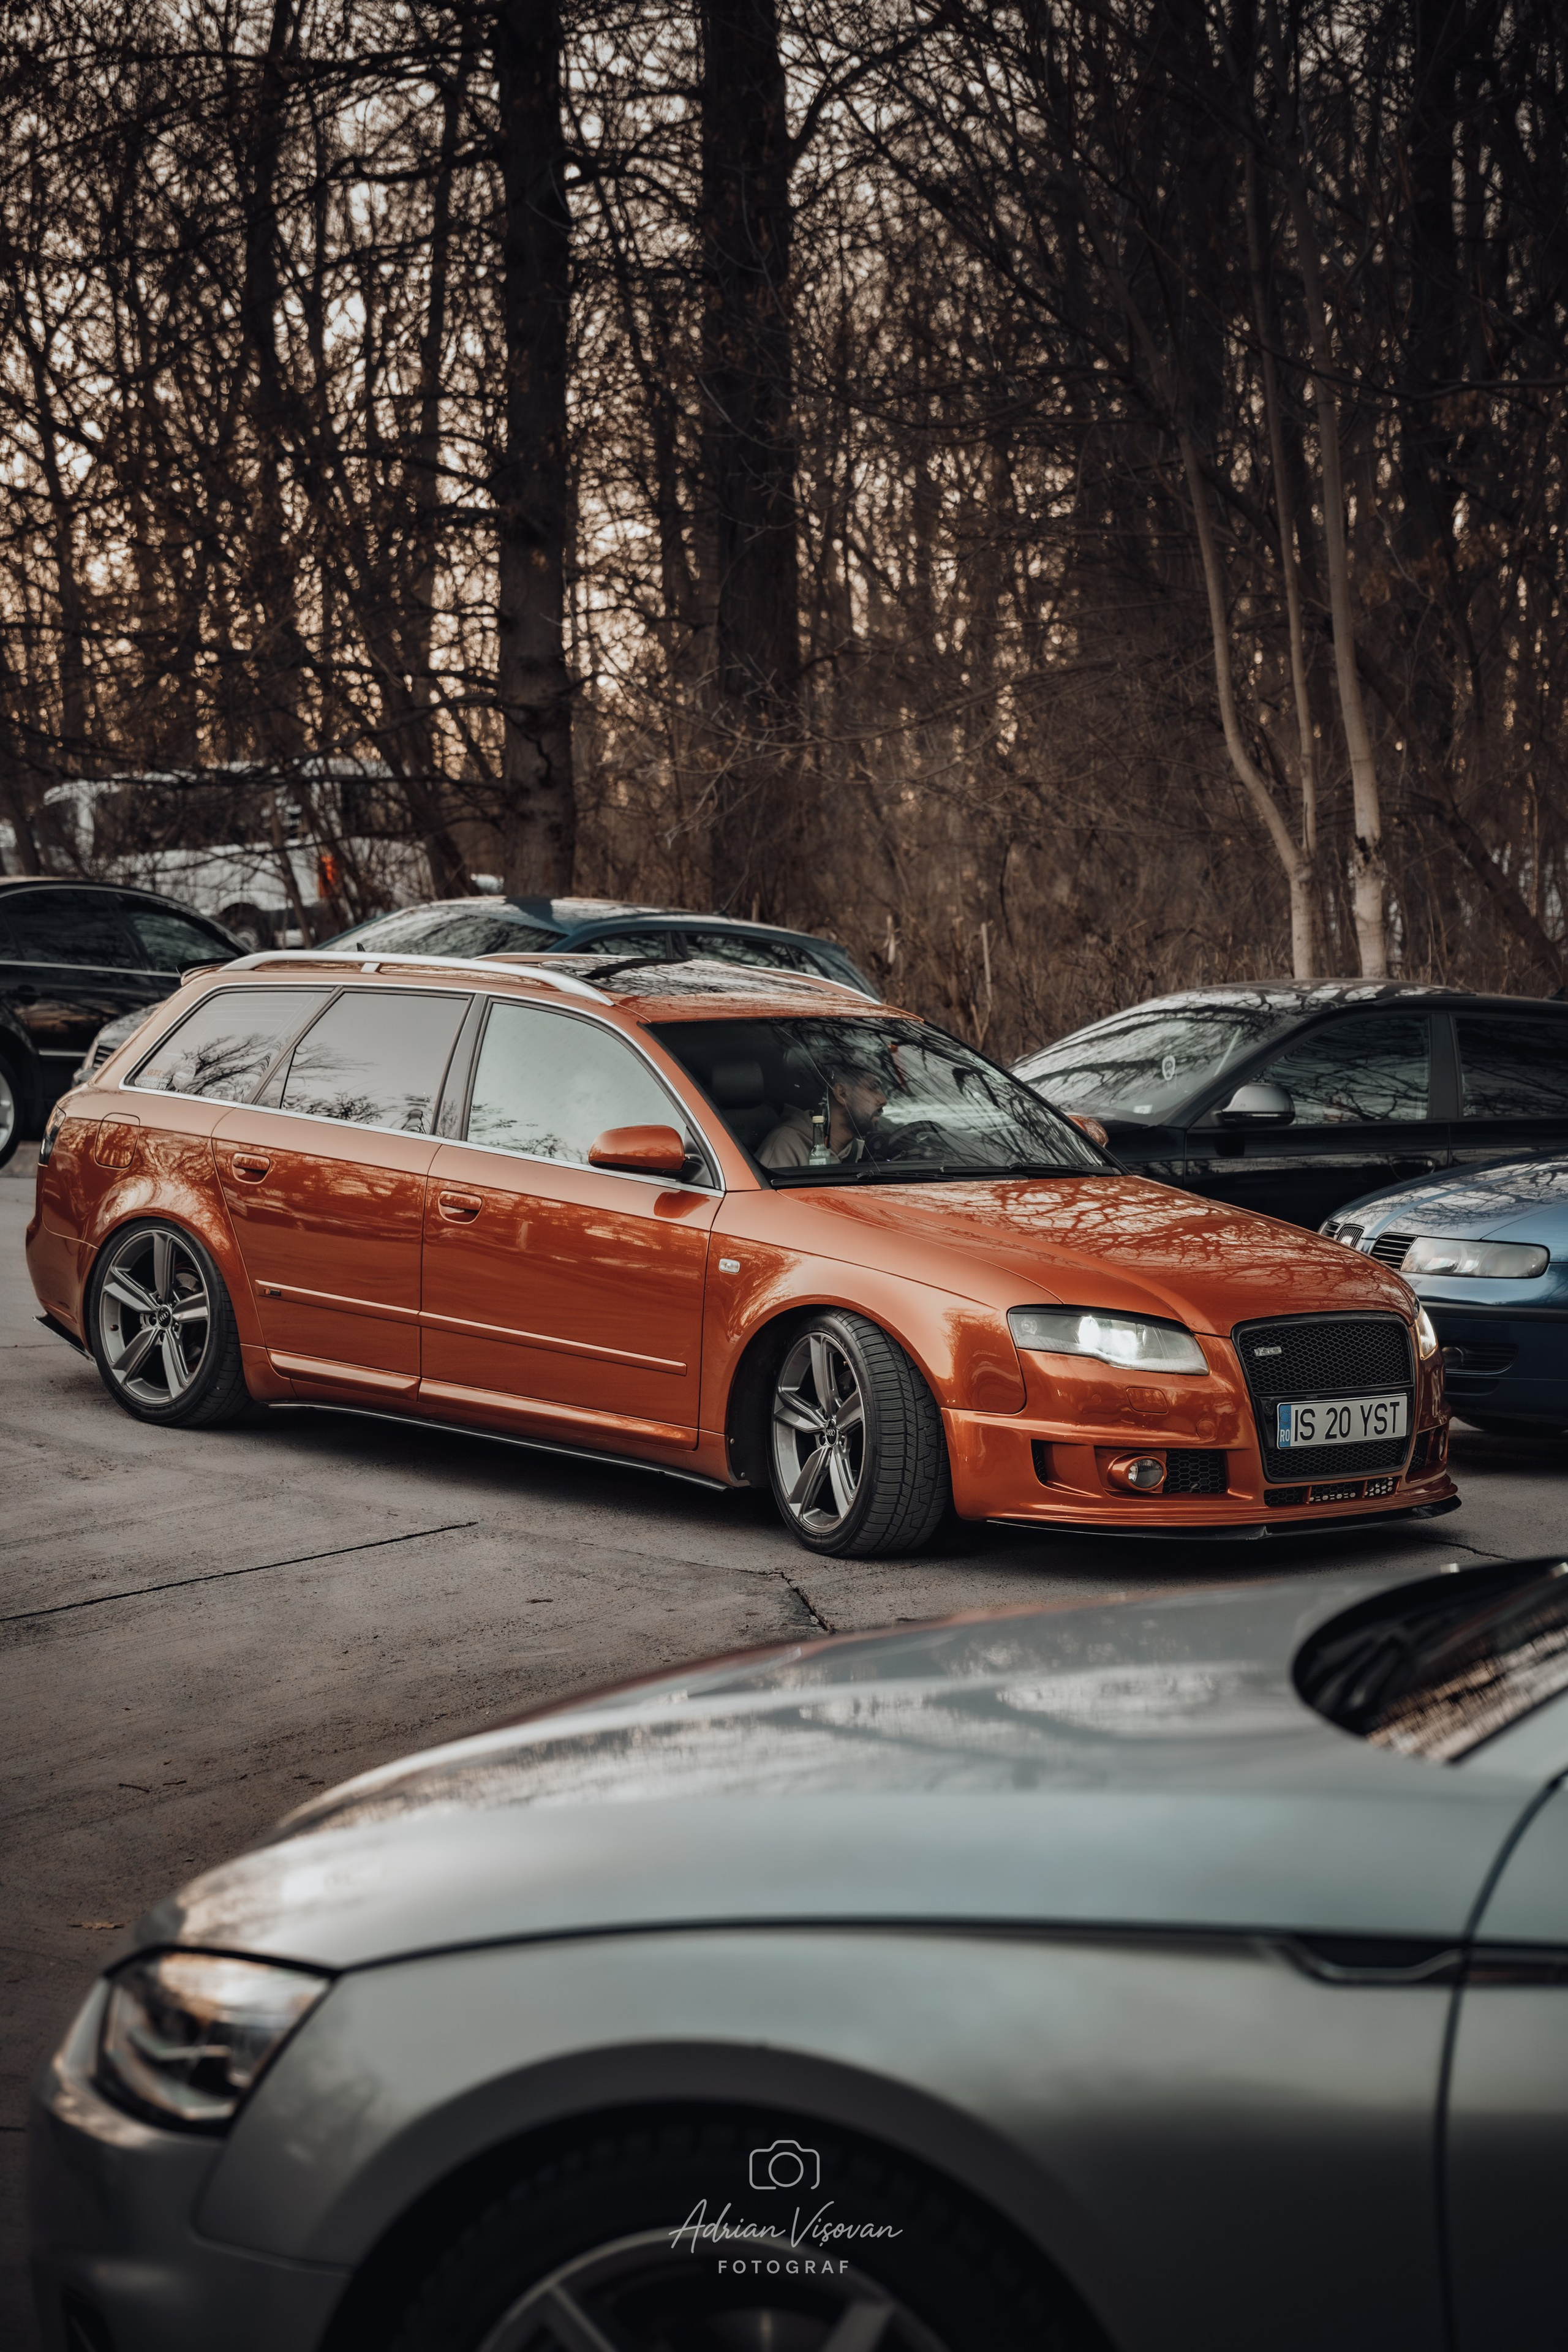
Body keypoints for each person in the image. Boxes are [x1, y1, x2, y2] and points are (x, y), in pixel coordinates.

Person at [756, 1056, 889, 1169]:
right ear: (841, 1093)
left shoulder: (863, 1151)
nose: (884, 1100)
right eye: (873, 1087)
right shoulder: (786, 1146)